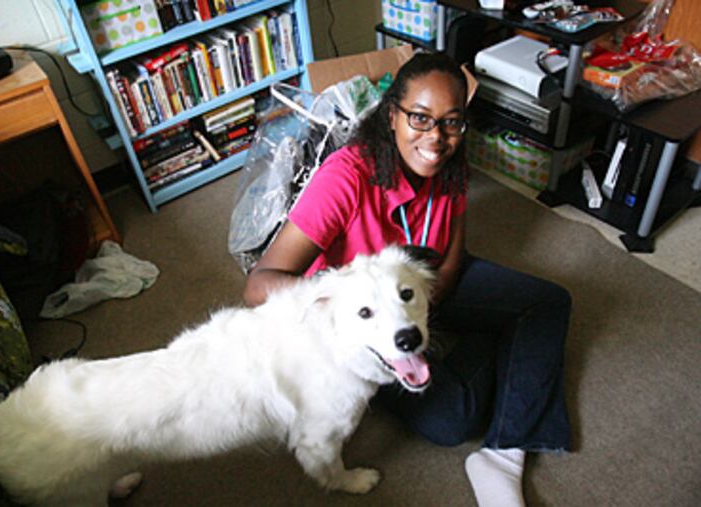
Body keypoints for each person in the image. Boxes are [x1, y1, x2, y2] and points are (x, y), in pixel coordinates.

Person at [243, 52, 572, 507]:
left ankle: (504, 453)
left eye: (451, 122)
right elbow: (259, 284)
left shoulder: (451, 160)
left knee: (550, 302)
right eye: (419, 118)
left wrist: (427, 309)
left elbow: (453, 255)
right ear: (392, 115)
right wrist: (346, 299)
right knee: (452, 421)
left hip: (424, 289)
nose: (436, 138)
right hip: (366, 323)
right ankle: (512, 350)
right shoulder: (346, 176)